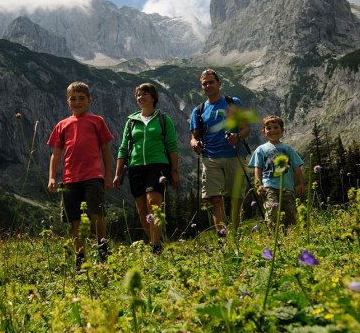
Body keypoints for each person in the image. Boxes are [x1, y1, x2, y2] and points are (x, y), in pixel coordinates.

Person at [47, 81, 115, 269]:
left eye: (81, 99)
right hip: (69, 179)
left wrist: (107, 176)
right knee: (74, 219)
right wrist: (52, 177)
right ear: (68, 101)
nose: (77, 102)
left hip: (93, 176)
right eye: (73, 99)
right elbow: (56, 154)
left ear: (89, 100)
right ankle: (80, 256)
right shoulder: (62, 125)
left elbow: (106, 151)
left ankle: (103, 248)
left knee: (96, 214)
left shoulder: (97, 121)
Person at [112, 83, 180, 254]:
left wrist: (174, 171)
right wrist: (117, 173)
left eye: (144, 94)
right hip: (135, 167)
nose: (140, 97)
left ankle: (155, 246)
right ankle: (155, 242)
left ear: (153, 97)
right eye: (138, 95)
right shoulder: (131, 122)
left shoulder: (164, 120)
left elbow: (172, 146)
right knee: (142, 209)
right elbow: (122, 148)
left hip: (158, 164)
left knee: (153, 203)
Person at [189, 69, 246, 236]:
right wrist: (195, 144)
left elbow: (245, 129)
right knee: (215, 200)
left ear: (219, 84)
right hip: (210, 158)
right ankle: (223, 237)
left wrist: (237, 137)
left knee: (237, 198)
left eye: (211, 82)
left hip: (234, 155)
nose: (208, 85)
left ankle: (235, 234)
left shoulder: (233, 102)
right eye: (204, 84)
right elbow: (193, 138)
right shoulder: (198, 110)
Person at [249, 115, 306, 227]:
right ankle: (272, 233)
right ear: (264, 132)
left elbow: (296, 167)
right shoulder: (260, 150)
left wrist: (301, 183)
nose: (272, 130)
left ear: (282, 130)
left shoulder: (287, 149)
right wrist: (258, 185)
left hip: (287, 187)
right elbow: (258, 168)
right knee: (272, 210)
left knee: (290, 212)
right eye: (269, 128)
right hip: (269, 186)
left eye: (276, 127)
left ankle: (290, 234)